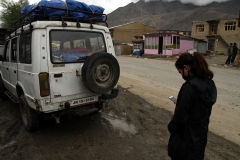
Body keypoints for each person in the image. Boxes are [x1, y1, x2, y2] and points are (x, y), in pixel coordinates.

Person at [167, 52, 217, 160]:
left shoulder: (189, 88)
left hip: (185, 140)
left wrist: (171, 127)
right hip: (200, 137)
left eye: (180, 72)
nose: (181, 75)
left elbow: (181, 117)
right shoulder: (210, 84)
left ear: (186, 68)